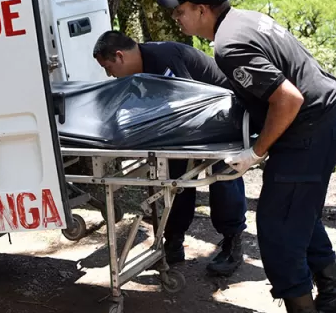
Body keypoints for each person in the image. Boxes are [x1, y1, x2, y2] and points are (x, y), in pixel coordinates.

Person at [158, 0, 336, 313]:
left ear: (202, 10)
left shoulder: (229, 44)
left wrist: (255, 153)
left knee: (276, 223)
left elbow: (288, 99)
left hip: (309, 128)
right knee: (298, 214)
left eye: (181, 11)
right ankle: (333, 292)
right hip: (328, 118)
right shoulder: (245, 18)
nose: (177, 19)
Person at [92, 30, 248, 276]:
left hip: (225, 115)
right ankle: (173, 242)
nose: (109, 74)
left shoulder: (163, 58)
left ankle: (232, 242)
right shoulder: (140, 69)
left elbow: (189, 103)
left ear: (120, 56)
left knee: (222, 176)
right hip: (194, 121)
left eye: (108, 67)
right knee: (173, 178)